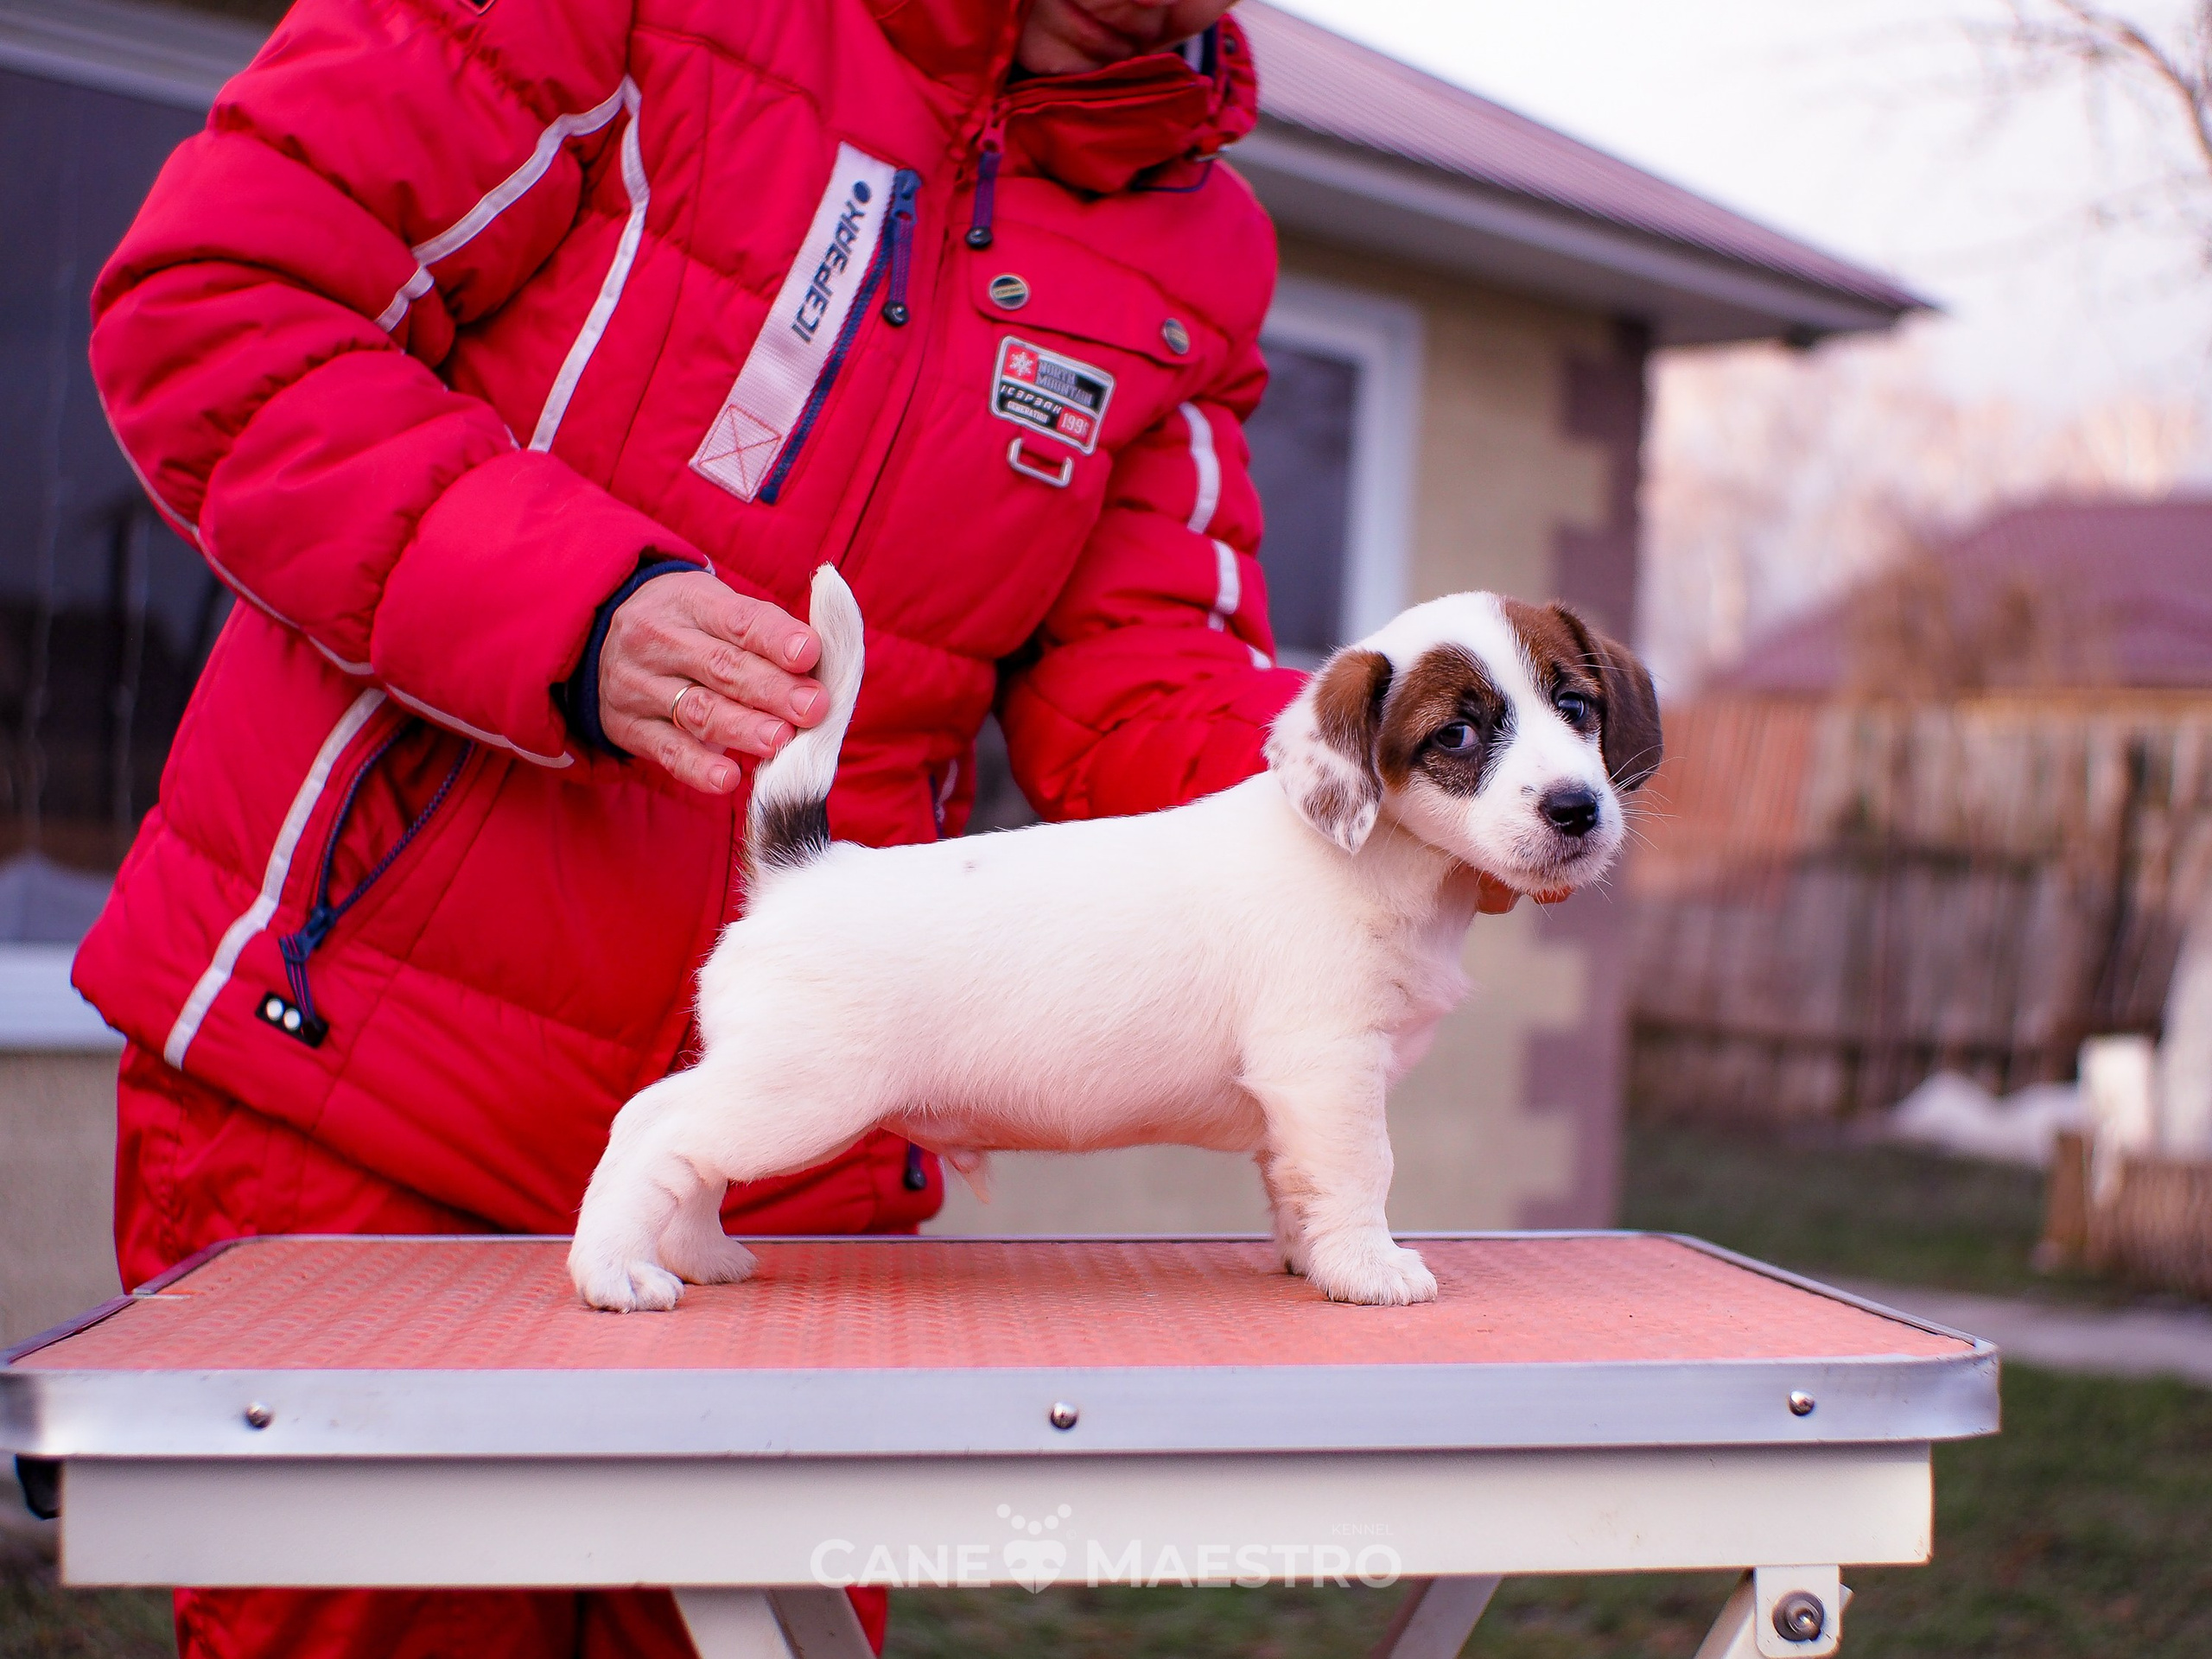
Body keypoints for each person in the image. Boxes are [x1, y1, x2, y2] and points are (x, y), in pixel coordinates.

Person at [79, 0, 1514, 1652]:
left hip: (802, 1175)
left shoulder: (1197, 241)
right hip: (357, 1088)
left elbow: (1138, 674)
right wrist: (566, 604)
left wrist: (1410, 799)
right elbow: (220, 300)